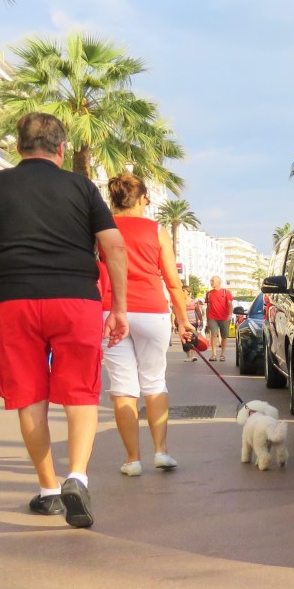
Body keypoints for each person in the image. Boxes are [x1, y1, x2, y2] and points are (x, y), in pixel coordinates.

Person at [0, 112, 129, 529]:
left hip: (14, 301)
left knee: (30, 397)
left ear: (18, 148)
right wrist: (119, 307)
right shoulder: (81, 186)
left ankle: (50, 490)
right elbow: (114, 247)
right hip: (76, 300)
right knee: (80, 393)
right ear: (61, 148)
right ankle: (77, 476)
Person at [100, 175, 194, 476]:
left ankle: (132, 460)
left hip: (110, 311)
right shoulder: (157, 231)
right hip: (152, 311)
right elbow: (173, 282)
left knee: (123, 388)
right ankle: (161, 452)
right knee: (154, 382)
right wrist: (183, 321)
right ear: (142, 199)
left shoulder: (101, 229)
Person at [204, 276, 233, 362]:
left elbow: (230, 305)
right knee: (213, 334)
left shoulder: (226, 292)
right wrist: (207, 319)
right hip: (213, 317)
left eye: (212, 281)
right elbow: (208, 307)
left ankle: (222, 354)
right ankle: (214, 354)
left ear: (219, 282)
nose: (211, 282)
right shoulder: (209, 294)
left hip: (224, 318)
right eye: (210, 281)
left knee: (224, 336)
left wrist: (229, 315)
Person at [181, 285, 204, 362]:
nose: (182, 292)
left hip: (193, 323)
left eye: (184, 291)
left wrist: (201, 320)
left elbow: (198, 311)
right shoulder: (180, 301)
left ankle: (192, 356)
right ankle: (188, 355)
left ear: (188, 292)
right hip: (184, 323)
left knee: (192, 339)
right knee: (184, 339)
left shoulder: (194, 301)